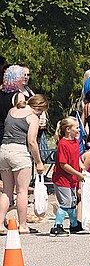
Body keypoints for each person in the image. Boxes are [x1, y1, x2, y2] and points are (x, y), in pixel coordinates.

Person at [0, 93, 49, 233]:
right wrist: (39, 162)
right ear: (39, 108)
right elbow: (32, 142)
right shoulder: (32, 117)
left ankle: (0, 224)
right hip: (19, 152)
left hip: (4, 149)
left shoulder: (12, 110)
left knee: (7, 191)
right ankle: (22, 225)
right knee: (22, 191)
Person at [49, 117, 85, 237]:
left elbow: (77, 156)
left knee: (72, 202)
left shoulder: (75, 141)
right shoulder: (63, 144)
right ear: (68, 129)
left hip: (72, 179)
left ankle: (74, 224)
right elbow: (63, 164)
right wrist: (77, 173)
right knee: (66, 203)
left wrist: (81, 165)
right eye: (76, 127)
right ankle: (57, 226)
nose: (78, 130)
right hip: (62, 179)